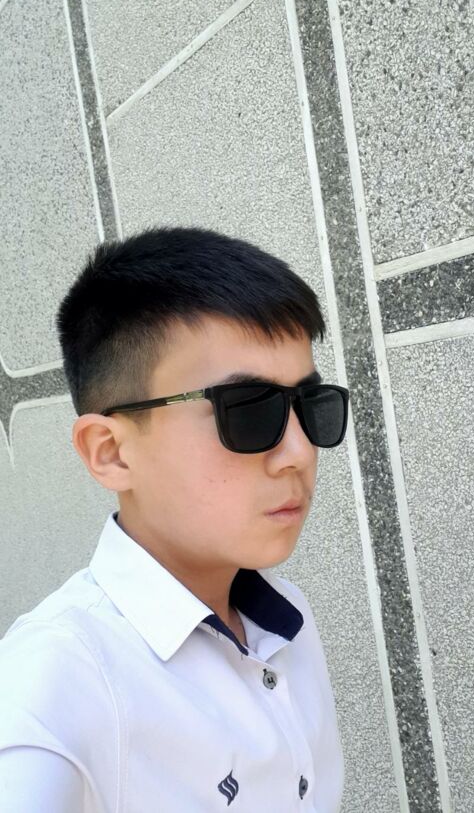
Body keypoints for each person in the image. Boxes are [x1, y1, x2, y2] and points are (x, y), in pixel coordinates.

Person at [0, 227, 348, 812]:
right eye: (249, 411)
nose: (298, 451)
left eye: (309, 405)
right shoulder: (51, 689)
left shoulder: (287, 618)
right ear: (111, 452)